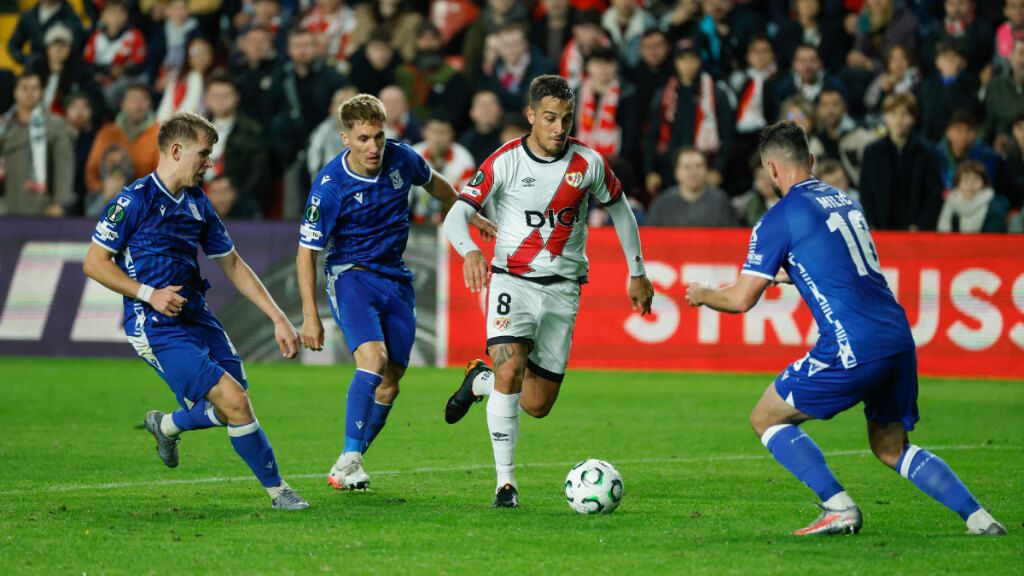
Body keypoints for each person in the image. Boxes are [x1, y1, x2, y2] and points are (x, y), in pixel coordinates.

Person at [683, 120, 1006, 537]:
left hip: (851, 344)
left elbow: (741, 299)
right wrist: (791, 274)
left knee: (766, 418)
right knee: (891, 447)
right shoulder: (844, 200)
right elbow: (838, 262)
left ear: (771, 170)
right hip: (897, 338)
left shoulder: (778, 218)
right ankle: (980, 519)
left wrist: (704, 293)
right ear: (811, 160)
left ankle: (838, 507)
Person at [441, 75, 654, 508]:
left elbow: (621, 211)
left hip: (563, 289)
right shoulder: (504, 161)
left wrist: (637, 271)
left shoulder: (589, 163)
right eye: (550, 118)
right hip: (512, 280)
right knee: (510, 370)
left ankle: (479, 380)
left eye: (566, 119)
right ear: (531, 115)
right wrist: (470, 252)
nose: (559, 128)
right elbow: (455, 216)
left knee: (537, 404)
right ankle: (505, 485)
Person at [82, 111, 309, 510]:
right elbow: (95, 263)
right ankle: (279, 492)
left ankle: (166, 425)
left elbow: (232, 263)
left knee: (233, 404)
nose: (210, 163)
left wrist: (277, 317)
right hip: (156, 324)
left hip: (196, 315)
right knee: (234, 402)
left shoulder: (197, 202)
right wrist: (149, 293)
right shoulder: (134, 201)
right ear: (176, 150)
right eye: (204, 154)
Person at [295, 94, 496, 492]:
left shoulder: (402, 158)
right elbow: (306, 252)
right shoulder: (330, 186)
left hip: (395, 278)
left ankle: (348, 464)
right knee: (374, 359)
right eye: (363, 138)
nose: (373, 147)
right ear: (345, 138)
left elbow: (437, 185)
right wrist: (309, 315)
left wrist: (469, 214)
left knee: (392, 381)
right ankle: (350, 455)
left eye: (379, 137)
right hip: (351, 275)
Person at [0, 71, 75, 216]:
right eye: (25, 88)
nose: (30, 93)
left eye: (35, 88)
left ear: (41, 92)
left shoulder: (55, 125)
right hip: (7, 205)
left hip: (43, 206)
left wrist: (60, 202)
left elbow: (64, 166)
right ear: (15, 92)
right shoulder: (4, 127)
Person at [645, 147, 737, 227]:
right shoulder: (662, 203)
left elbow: (733, 236)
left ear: (707, 170)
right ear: (676, 172)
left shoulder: (721, 202)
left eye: (698, 166)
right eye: (687, 167)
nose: (693, 172)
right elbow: (647, 236)